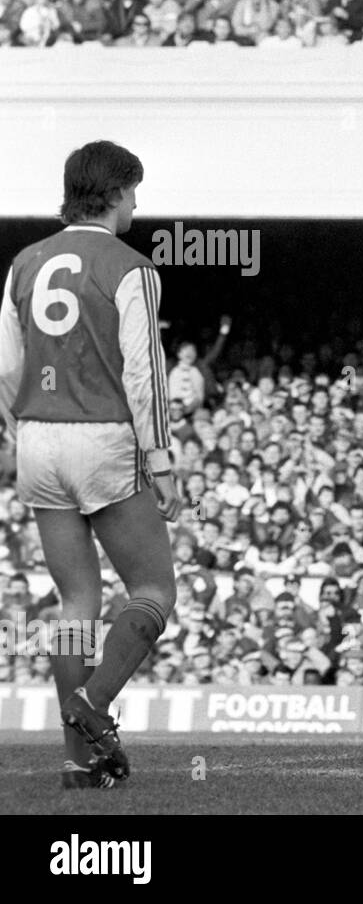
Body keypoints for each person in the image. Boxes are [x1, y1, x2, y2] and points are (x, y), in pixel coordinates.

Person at [0, 141, 182, 789]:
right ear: (112, 192)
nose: (137, 201)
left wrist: (16, 435)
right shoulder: (129, 266)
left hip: (38, 439)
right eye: (133, 189)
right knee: (155, 590)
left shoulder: (26, 261)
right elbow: (145, 373)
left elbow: (6, 366)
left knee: (76, 602)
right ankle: (93, 705)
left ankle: (81, 764)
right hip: (102, 435)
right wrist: (160, 459)